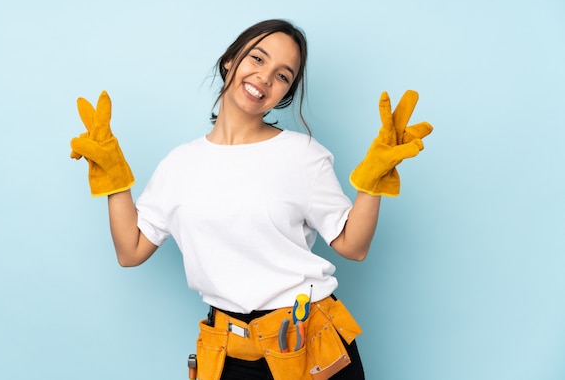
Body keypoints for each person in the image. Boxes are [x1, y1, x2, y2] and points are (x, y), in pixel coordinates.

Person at [70, 19, 432, 380]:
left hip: (310, 346)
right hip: (226, 352)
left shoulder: (303, 155)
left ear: (285, 94)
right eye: (257, 59)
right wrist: (113, 178)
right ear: (230, 60)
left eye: (282, 76)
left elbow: (353, 246)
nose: (264, 77)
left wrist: (373, 180)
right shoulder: (179, 164)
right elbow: (130, 251)